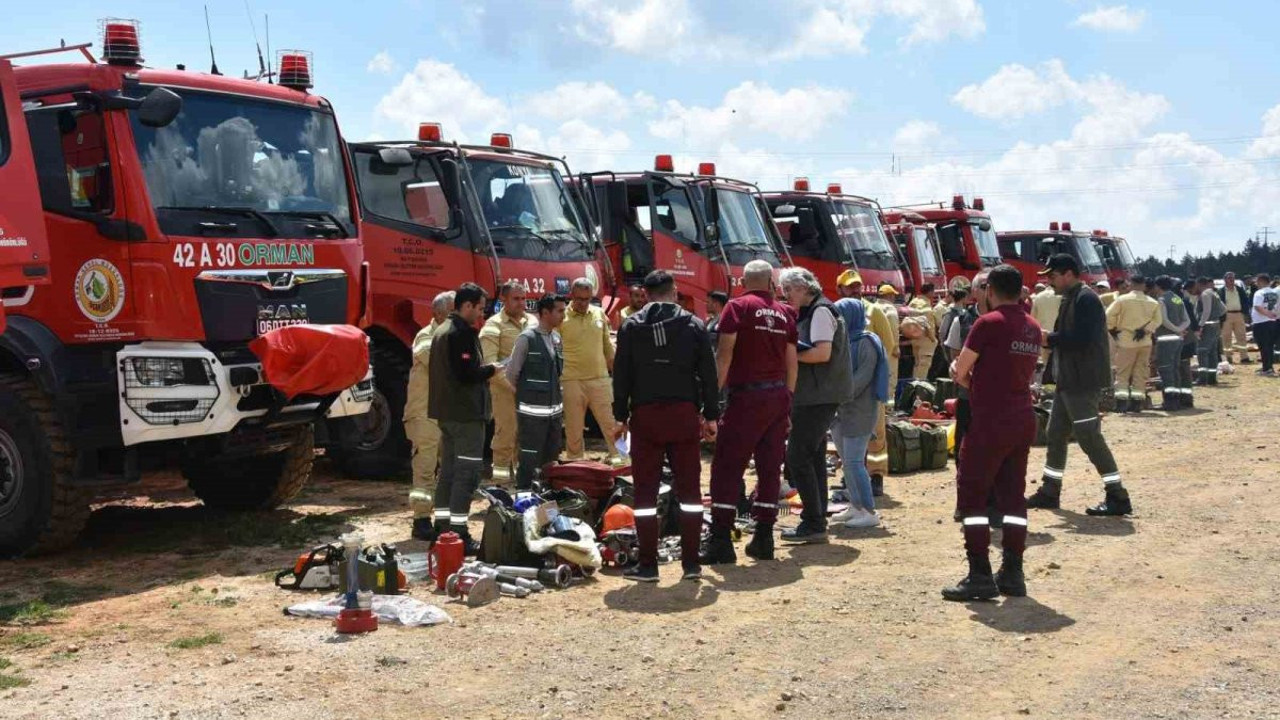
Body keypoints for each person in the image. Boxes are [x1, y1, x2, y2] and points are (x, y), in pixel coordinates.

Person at [941, 264, 1041, 601]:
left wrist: (963, 376)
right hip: (1022, 417)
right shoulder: (1031, 326)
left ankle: (979, 573)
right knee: (1013, 497)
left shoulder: (987, 323)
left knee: (973, 495)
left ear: (990, 290)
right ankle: (1013, 571)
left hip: (991, 420)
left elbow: (962, 369)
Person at [613, 271, 720, 582]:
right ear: (674, 292)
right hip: (683, 416)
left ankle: (648, 566)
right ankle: (691, 564)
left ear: (645, 294)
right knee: (690, 492)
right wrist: (711, 416)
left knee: (645, 495)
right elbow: (709, 375)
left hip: (645, 418)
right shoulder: (694, 325)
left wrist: (621, 417)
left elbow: (622, 375)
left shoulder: (632, 325)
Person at [703, 260, 797, 565]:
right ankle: (764, 537)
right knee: (770, 468)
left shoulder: (737, 307)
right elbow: (791, 361)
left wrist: (710, 397)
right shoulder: (786, 313)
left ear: (743, 281)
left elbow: (725, 353)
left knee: (727, 467)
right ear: (771, 282)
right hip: (777, 396)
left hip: (747, 397)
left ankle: (721, 540)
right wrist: (788, 398)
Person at [1028, 254, 1133, 517]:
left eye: (1052, 276)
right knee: (1055, 432)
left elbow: (1081, 339)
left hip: (1081, 380)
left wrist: (1048, 339)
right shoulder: (1070, 298)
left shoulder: (1086, 299)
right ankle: (1050, 491)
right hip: (1068, 379)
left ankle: (1117, 495)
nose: (1049, 282)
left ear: (1068, 274)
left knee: (1088, 436)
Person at [779, 267, 854, 545]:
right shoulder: (817, 310)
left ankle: (812, 522)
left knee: (797, 456)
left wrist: (789, 356)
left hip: (819, 395)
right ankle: (817, 517)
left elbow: (822, 353)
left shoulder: (821, 311)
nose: (786, 295)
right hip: (817, 394)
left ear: (804, 288)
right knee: (813, 456)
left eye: (789, 289)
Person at [428, 283, 501, 553]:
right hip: (466, 416)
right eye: (480, 309)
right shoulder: (460, 333)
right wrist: (492, 369)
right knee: (466, 476)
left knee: (447, 473)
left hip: (448, 415)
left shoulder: (441, 330)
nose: (481, 314)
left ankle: (443, 529)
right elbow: (467, 374)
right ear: (466, 306)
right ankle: (458, 533)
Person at [836, 269, 897, 495]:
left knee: (876, 430)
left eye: (858, 285)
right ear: (840, 289)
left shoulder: (875, 311)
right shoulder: (837, 312)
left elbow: (888, 345)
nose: (856, 289)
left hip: (869, 385)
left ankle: (876, 475)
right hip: (844, 384)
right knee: (846, 430)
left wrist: (870, 371)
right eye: (851, 286)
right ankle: (852, 475)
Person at [830, 298, 890, 529]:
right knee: (848, 462)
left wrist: (834, 394)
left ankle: (868, 510)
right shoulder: (845, 341)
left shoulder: (866, 343)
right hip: (842, 411)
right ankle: (855, 506)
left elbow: (861, 380)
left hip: (860, 411)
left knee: (855, 462)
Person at [404, 290, 454, 541]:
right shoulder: (426, 336)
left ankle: (442, 518)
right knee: (424, 468)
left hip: (444, 414)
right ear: (437, 313)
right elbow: (435, 361)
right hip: (424, 415)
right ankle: (421, 519)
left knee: (447, 468)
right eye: (451, 311)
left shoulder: (455, 336)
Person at [503, 294, 567, 490]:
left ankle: (546, 497)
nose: (563, 315)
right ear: (545, 313)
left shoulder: (556, 339)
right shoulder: (526, 339)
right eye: (560, 311)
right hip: (531, 415)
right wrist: (527, 396)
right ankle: (523, 497)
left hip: (554, 415)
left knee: (551, 461)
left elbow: (557, 373)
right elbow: (512, 373)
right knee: (529, 459)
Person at [560, 277, 624, 464]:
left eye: (587, 299)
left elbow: (608, 348)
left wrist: (618, 376)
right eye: (579, 299)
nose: (583, 303)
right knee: (573, 427)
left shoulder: (599, 314)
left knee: (611, 422)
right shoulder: (561, 317)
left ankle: (621, 458)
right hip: (571, 380)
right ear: (571, 296)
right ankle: (575, 463)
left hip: (600, 379)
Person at [480, 280, 532, 483]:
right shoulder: (493, 325)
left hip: (529, 392)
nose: (521, 303)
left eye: (523, 299)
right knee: (506, 437)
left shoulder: (533, 322)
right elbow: (490, 364)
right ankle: (501, 485)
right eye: (516, 299)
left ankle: (523, 483)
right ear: (504, 299)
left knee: (526, 439)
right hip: (504, 392)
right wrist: (513, 386)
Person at [1106, 275, 1162, 413]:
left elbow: (1108, 315)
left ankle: (1121, 404)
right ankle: (1137, 404)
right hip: (1145, 342)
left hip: (1125, 341)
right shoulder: (1153, 303)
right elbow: (1158, 321)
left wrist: (1112, 329)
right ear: (1144, 286)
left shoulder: (1122, 300)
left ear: (1130, 284)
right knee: (1140, 372)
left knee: (1123, 373)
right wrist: (1146, 330)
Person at [1153, 276, 1191, 410]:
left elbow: (1164, 320)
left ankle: (1170, 401)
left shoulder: (1161, 300)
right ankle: (1178, 399)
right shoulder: (1177, 298)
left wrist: (1176, 330)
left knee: (1165, 370)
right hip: (1178, 340)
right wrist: (1180, 330)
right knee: (1175, 369)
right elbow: (1187, 319)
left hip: (1165, 339)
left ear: (1158, 286)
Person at [1194, 276, 1226, 385]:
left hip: (1208, 326)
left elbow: (1206, 311)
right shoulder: (1213, 293)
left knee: (1202, 351)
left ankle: (1203, 378)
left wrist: (1200, 325)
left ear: (1199, 284)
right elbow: (1223, 309)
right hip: (1215, 325)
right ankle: (1212, 378)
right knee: (1212, 352)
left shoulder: (1205, 294)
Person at [1219, 272, 1252, 364]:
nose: (1231, 280)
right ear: (1225, 279)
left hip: (1239, 314)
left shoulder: (1239, 290)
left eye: (1233, 278)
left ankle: (1244, 357)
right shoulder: (1221, 291)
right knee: (1226, 337)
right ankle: (1228, 357)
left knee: (1241, 336)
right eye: (1229, 278)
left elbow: (1245, 301)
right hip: (1226, 315)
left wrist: (1245, 314)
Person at [1177, 279, 1201, 406]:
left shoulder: (1175, 301)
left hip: (1180, 340)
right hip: (1187, 339)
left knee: (1179, 369)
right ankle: (1187, 397)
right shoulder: (1183, 300)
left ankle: (1181, 398)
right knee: (1185, 368)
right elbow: (1192, 318)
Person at [1252, 273, 1279, 376]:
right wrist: (1272, 315)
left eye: (1257, 281)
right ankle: (1268, 367)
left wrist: (1267, 314)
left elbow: (1257, 307)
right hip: (1272, 322)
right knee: (1270, 346)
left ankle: (1266, 369)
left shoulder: (1259, 293)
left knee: (1263, 346)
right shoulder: (1274, 293)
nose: (1256, 283)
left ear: (1262, 281)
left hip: (1261, 322)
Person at [1030, 282, 1062, 365]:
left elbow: (1033, 319)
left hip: (1043, 337)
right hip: (1059, 337)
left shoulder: (1039, 297)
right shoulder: (1063, 296)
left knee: (1046, 365)